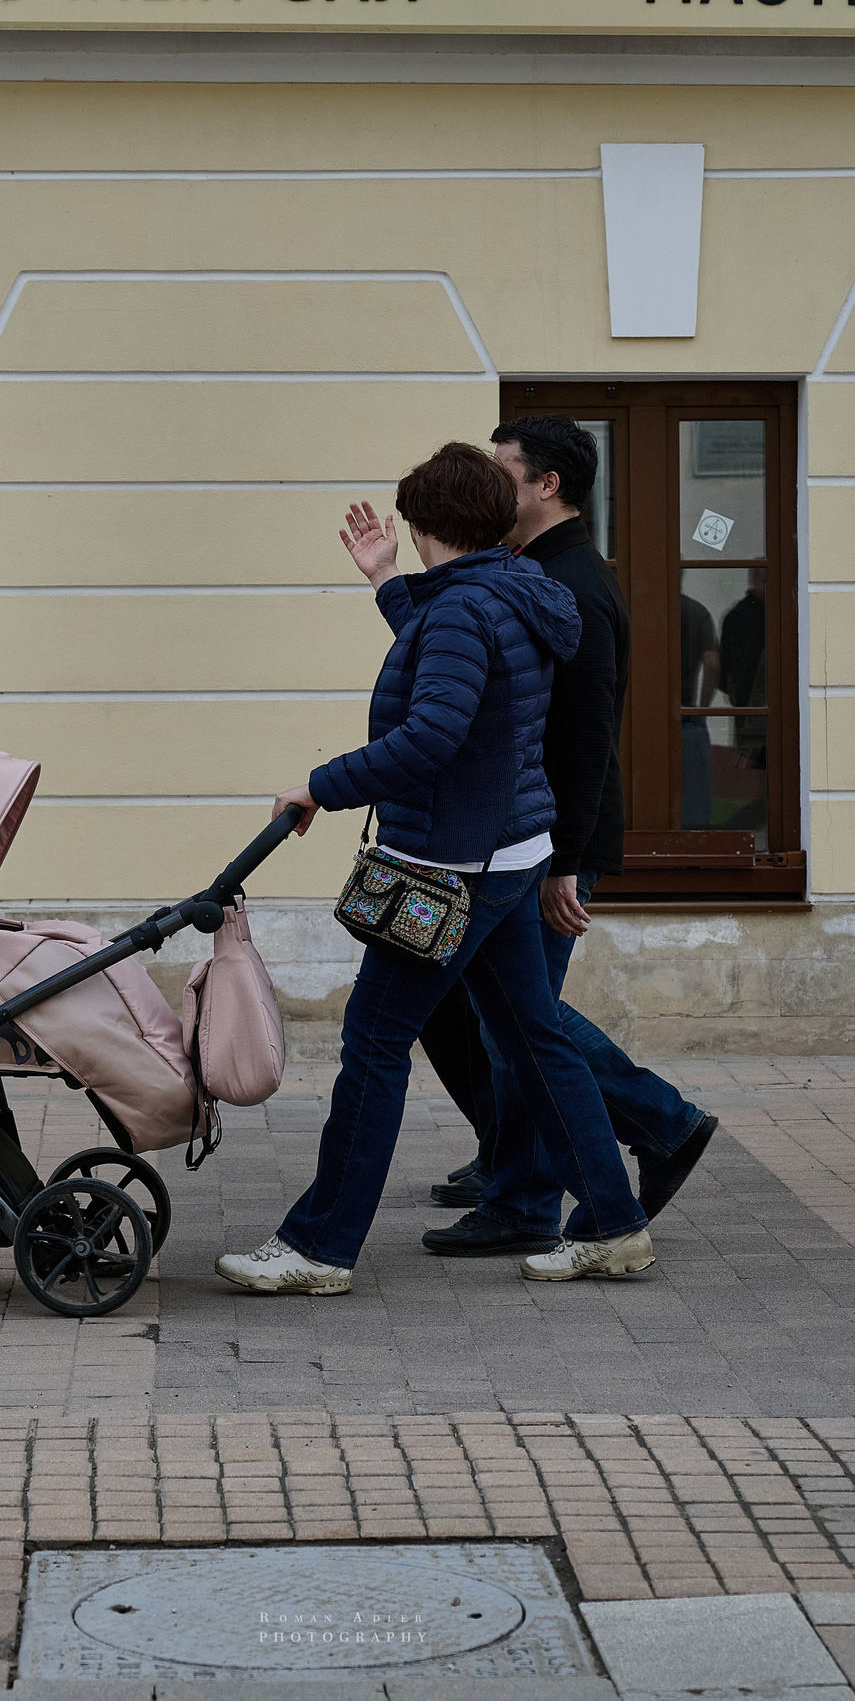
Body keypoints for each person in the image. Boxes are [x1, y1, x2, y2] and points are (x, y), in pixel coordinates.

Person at [215, 443, 656, 1296]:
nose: (407, 539)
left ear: (430, 524)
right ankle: (613, 1221)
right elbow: (458, 665)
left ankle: (321, 1244)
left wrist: (319, 784)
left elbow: (431, 734)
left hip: (446, 869)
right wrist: (383, 580)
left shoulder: (466, 607)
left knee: (375, 1044)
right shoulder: (515, 590)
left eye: (410, 529)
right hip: (508, 855)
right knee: (536, 1036)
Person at [420, 415, 719, 1260]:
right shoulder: (534, 568)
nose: (489, 487)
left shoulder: (575, 583)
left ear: (546, 484)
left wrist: (568, 861)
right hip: (525, 839)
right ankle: (523, 1190)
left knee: (525, 1020)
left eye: (502, 472)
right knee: (508, 1019)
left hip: (547, 846)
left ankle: (658, 1126)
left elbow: (587, 739)